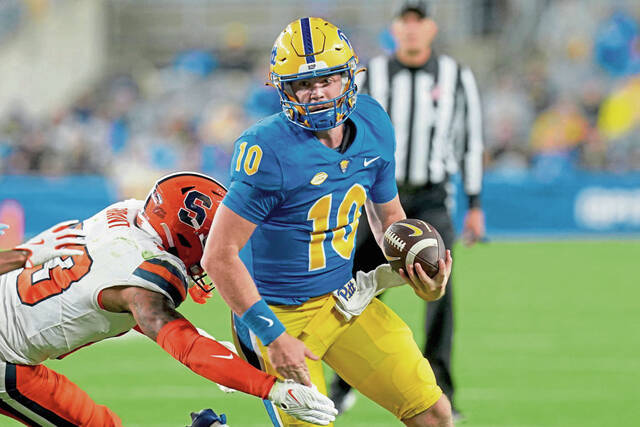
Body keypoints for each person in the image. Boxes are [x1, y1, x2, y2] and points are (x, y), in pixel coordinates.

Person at [202, 17, 454, 427]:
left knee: (435, 415)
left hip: (344, 300)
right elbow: (219, 255)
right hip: (279, 314)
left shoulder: (373, 121)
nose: (316, 93)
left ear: (349, 76)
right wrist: (272, 335)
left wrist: (415, 271)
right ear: (284, 89)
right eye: (303, 84)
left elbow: (388, 216)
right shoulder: (267, 149)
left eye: (327, 79)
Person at [0, 172, 336, 426]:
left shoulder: (126, 215)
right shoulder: (145, 276)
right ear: (186, 235)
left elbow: (113, 297)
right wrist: (272, 389)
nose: (215, 249)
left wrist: (215, 348)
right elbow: (184, 344)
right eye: (210, 240)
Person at [329, 1, 486, 419]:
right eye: (405, 23)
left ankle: (440, 394)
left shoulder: (456, 76)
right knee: (355, 284)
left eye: (419, 23)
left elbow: (470, 141)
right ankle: (341, 385)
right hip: (378, 196)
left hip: (431, 196)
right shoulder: (374, 75)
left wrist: (474, 204)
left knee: (438, 285)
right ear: (395, 29)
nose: (412, 31)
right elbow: (348, 131)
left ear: (431, 29)